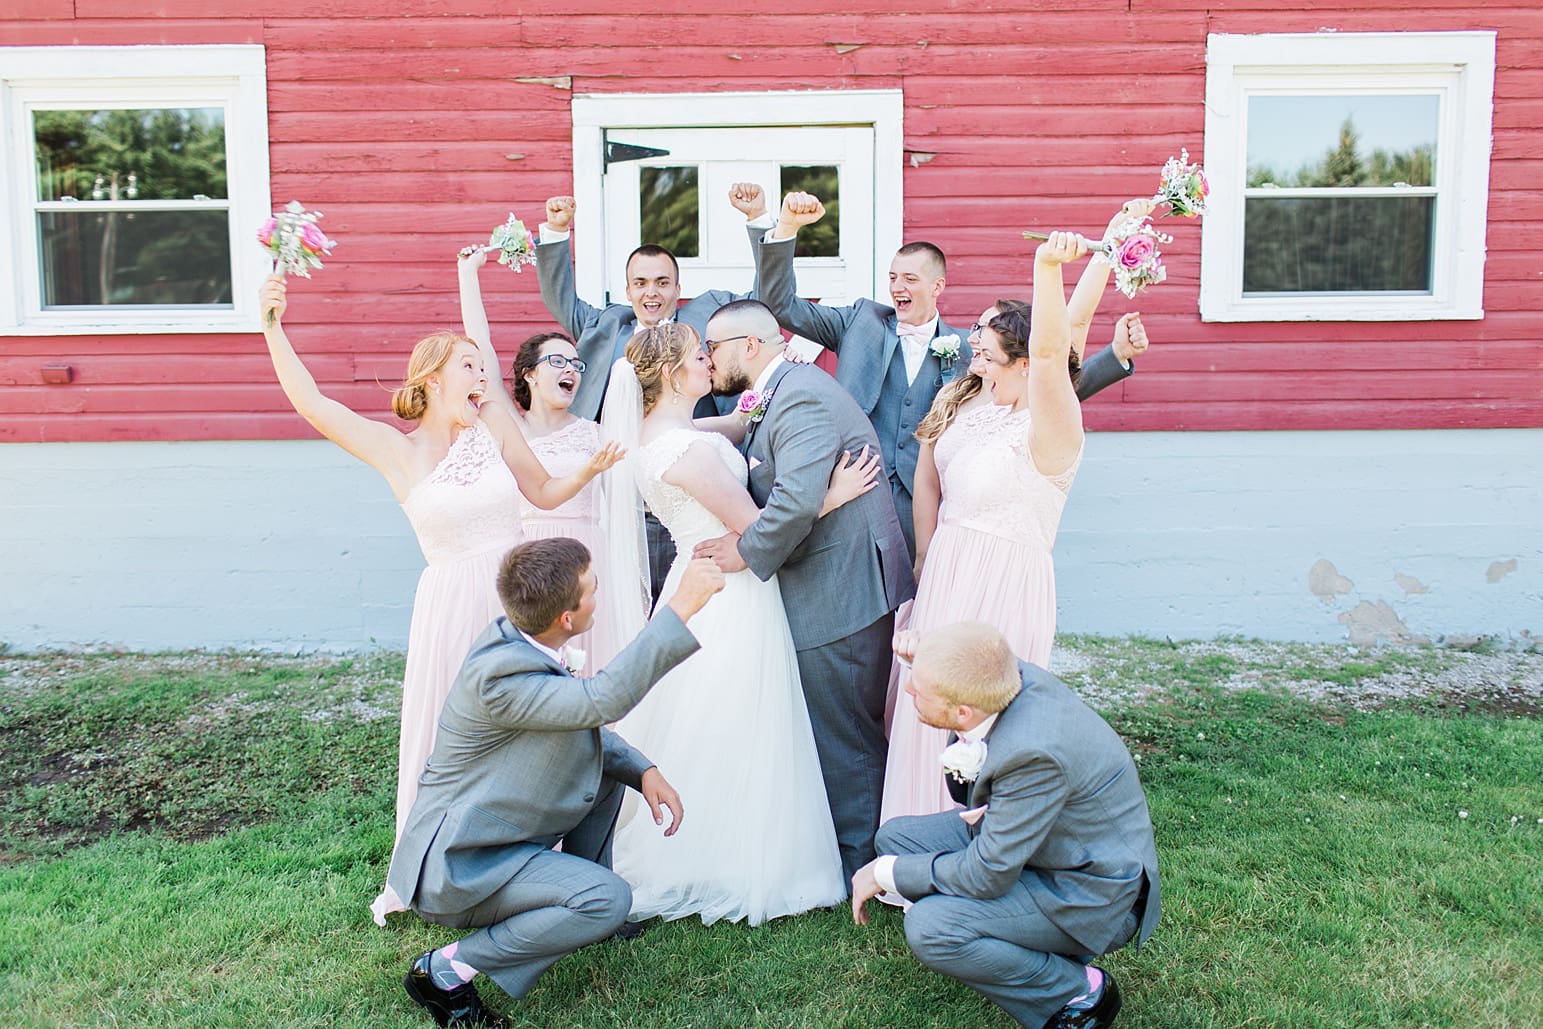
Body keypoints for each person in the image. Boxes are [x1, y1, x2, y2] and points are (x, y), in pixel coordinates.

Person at [255, 276, 623, 925]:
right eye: (469, 366)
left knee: (538, 728)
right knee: (455, 740)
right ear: (430, 379)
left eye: (484, 366)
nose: (482, 376)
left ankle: (539, 856)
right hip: (451, 605)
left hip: (517, 599)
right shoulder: (397, 452)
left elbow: (540, 490)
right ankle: (447, 866)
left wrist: (586, 473)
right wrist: (272, 326)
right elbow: (312, 404)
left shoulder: (496, 429)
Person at [599, 322, 880, 924]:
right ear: (674, 372)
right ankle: (723, 853)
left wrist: (770, 386)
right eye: (700, 356)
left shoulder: (672, 433)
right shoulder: (685, 452)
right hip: (728, 589)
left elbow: (740, 423)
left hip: (702, 580)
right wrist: (830, 494)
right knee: (733, 714)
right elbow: (754, 524)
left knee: (703, 712)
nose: (709, 363)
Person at [386, 539, 726, 1028]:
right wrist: (682, 605)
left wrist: (643, 770)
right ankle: (444, 971)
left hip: (493, 836)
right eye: (592, 590)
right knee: (608, 898)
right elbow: (599, 701)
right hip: (459, 867)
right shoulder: (499, 678)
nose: (598, 595)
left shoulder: (518, 638)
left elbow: (580, 725)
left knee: (604, 776)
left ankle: (580, 922)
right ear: (566, 618)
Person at [884, 212, 1149, 822]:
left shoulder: (1051, 422)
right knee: (930, 703)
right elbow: (1068, 331)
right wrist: (1108, 248)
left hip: (1003, 582)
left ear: (1023, 355)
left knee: (982, 713)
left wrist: (1048, 267)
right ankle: (918, 838)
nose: (972, 338)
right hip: (949, 568)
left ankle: (986, 844)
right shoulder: (980, 399)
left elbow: (1061, 342)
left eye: (985, 331)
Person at [754, 191, 1141, 558]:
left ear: (938, 286)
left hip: (929, 507)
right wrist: (787, 228)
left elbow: (1045, 389)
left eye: (909, 278)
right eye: (892, 277)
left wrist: (1114, 357)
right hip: (852, 494)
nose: (896, 287)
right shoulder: (859, 322)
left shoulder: (972, 350)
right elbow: (779, 305)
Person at [693, 299, 915, 881]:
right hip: (827, 576)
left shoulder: (801, 396)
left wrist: (742, 553)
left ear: (750, 346)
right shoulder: (777, 391)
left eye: (712, 346)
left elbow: (793, 501)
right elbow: (751, 436)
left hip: (841, 585)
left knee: (846, 732)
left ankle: (862, 869)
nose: (705, 357)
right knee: (837, 725)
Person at [853, 622, 1161, 1029]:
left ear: (963, 710)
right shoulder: (1004, 679)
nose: (910, 690)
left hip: (1090, 892)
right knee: (897, 838)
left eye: (919, 690)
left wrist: (884, 873)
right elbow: (967, 788)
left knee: (932, 927)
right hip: (1046, 846)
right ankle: (1020, 938)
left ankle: (1079, 989)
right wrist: (930, 665)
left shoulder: (1032, 752)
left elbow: (987, 876)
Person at [534, 184, 774, 601]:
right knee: (633, 606)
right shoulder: (605, 325)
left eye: (663, 283)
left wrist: (757, 222)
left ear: (678, 288)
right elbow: (561, 299)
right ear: (627, 291)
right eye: (641, 283)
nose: (652, 293)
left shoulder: (707, 316)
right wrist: (557, 230)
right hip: (626, 503)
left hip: (701, 490)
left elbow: (763, 299)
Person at [459, 247, 618, 670]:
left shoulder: (595, 433)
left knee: (589, 660)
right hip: (526, 554)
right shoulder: (512, 425)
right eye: (558, 361)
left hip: (586, 553)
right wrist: (468, 273)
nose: (571, 369)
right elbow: (480, 346)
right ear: (530, 374)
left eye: (576, 363)